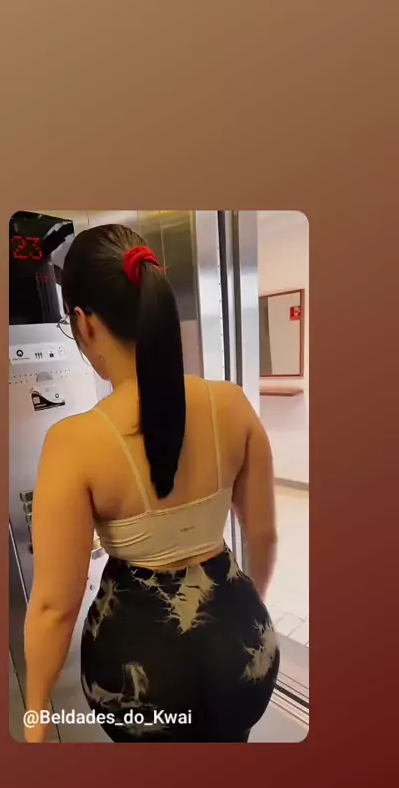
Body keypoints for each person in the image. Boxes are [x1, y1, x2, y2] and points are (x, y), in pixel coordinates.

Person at [24, 223, 279, 743]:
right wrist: (238, 618)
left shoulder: (73, 443)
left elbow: (55, 607)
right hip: (244, 656)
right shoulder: (232, 404)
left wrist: (35, 714)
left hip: (140, 679)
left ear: (84, 323)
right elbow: (264, 537)